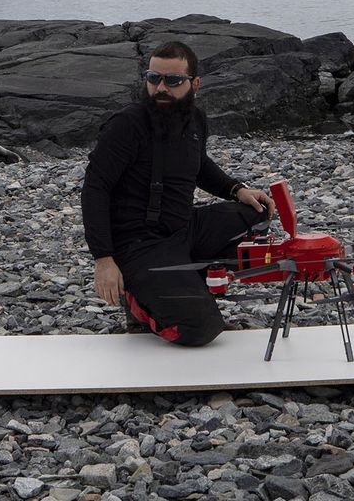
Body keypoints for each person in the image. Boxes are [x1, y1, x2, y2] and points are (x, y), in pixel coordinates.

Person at [81, 41, 272, 346]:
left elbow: (197, 164)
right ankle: (140, 304)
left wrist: (236, 189)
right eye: (153, 78)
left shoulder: (195, 120)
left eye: (172, 81)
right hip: (139, 245)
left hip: (183, 228)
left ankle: (189, 279)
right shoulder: (126, 126)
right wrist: (104, 259)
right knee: (202, 329)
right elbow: (95, 189)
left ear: (194, 83)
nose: (160, 88)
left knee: (259, 213)